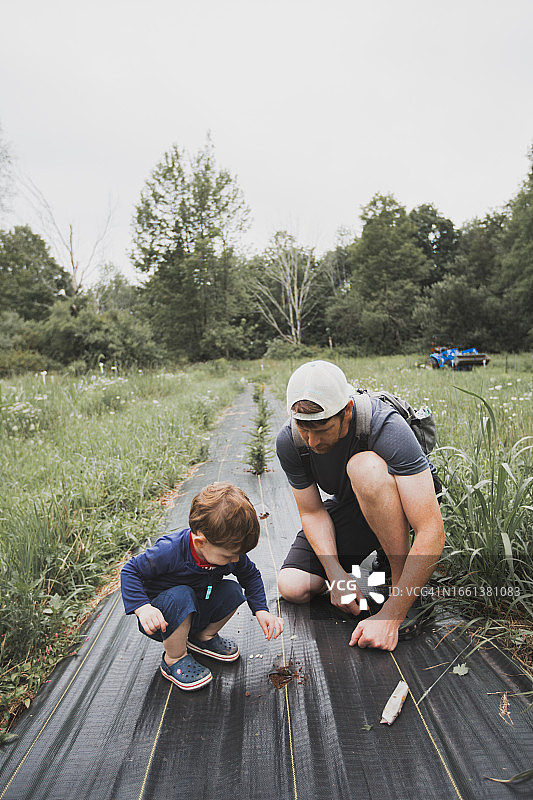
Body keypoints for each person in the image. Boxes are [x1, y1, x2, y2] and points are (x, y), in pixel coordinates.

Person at [276, 360, 444, 652]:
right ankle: (376, 556)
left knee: (364, 467)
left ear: (347, 412)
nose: (312, 440)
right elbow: (312, 512)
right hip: (354, 507)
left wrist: (392, 614)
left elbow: (431, 529)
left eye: (322, 428)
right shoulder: (290, 441)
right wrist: (336, 575)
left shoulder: (384, 425)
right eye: (304, 427)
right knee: (293, 586)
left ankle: (399, 581)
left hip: (398, 501)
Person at [121, 482, 284, 691]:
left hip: (196, 608)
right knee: (182, 594)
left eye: (238, 554)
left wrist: (261, 610)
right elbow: (130, 570)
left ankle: (202, 637)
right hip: (163, 618)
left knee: (232, 590)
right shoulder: (170, 551)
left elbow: (250, 575)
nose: (235, 559)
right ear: (200, 542)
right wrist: (144, 608)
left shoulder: (229, 553)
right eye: (228, 555)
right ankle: (174, 658)